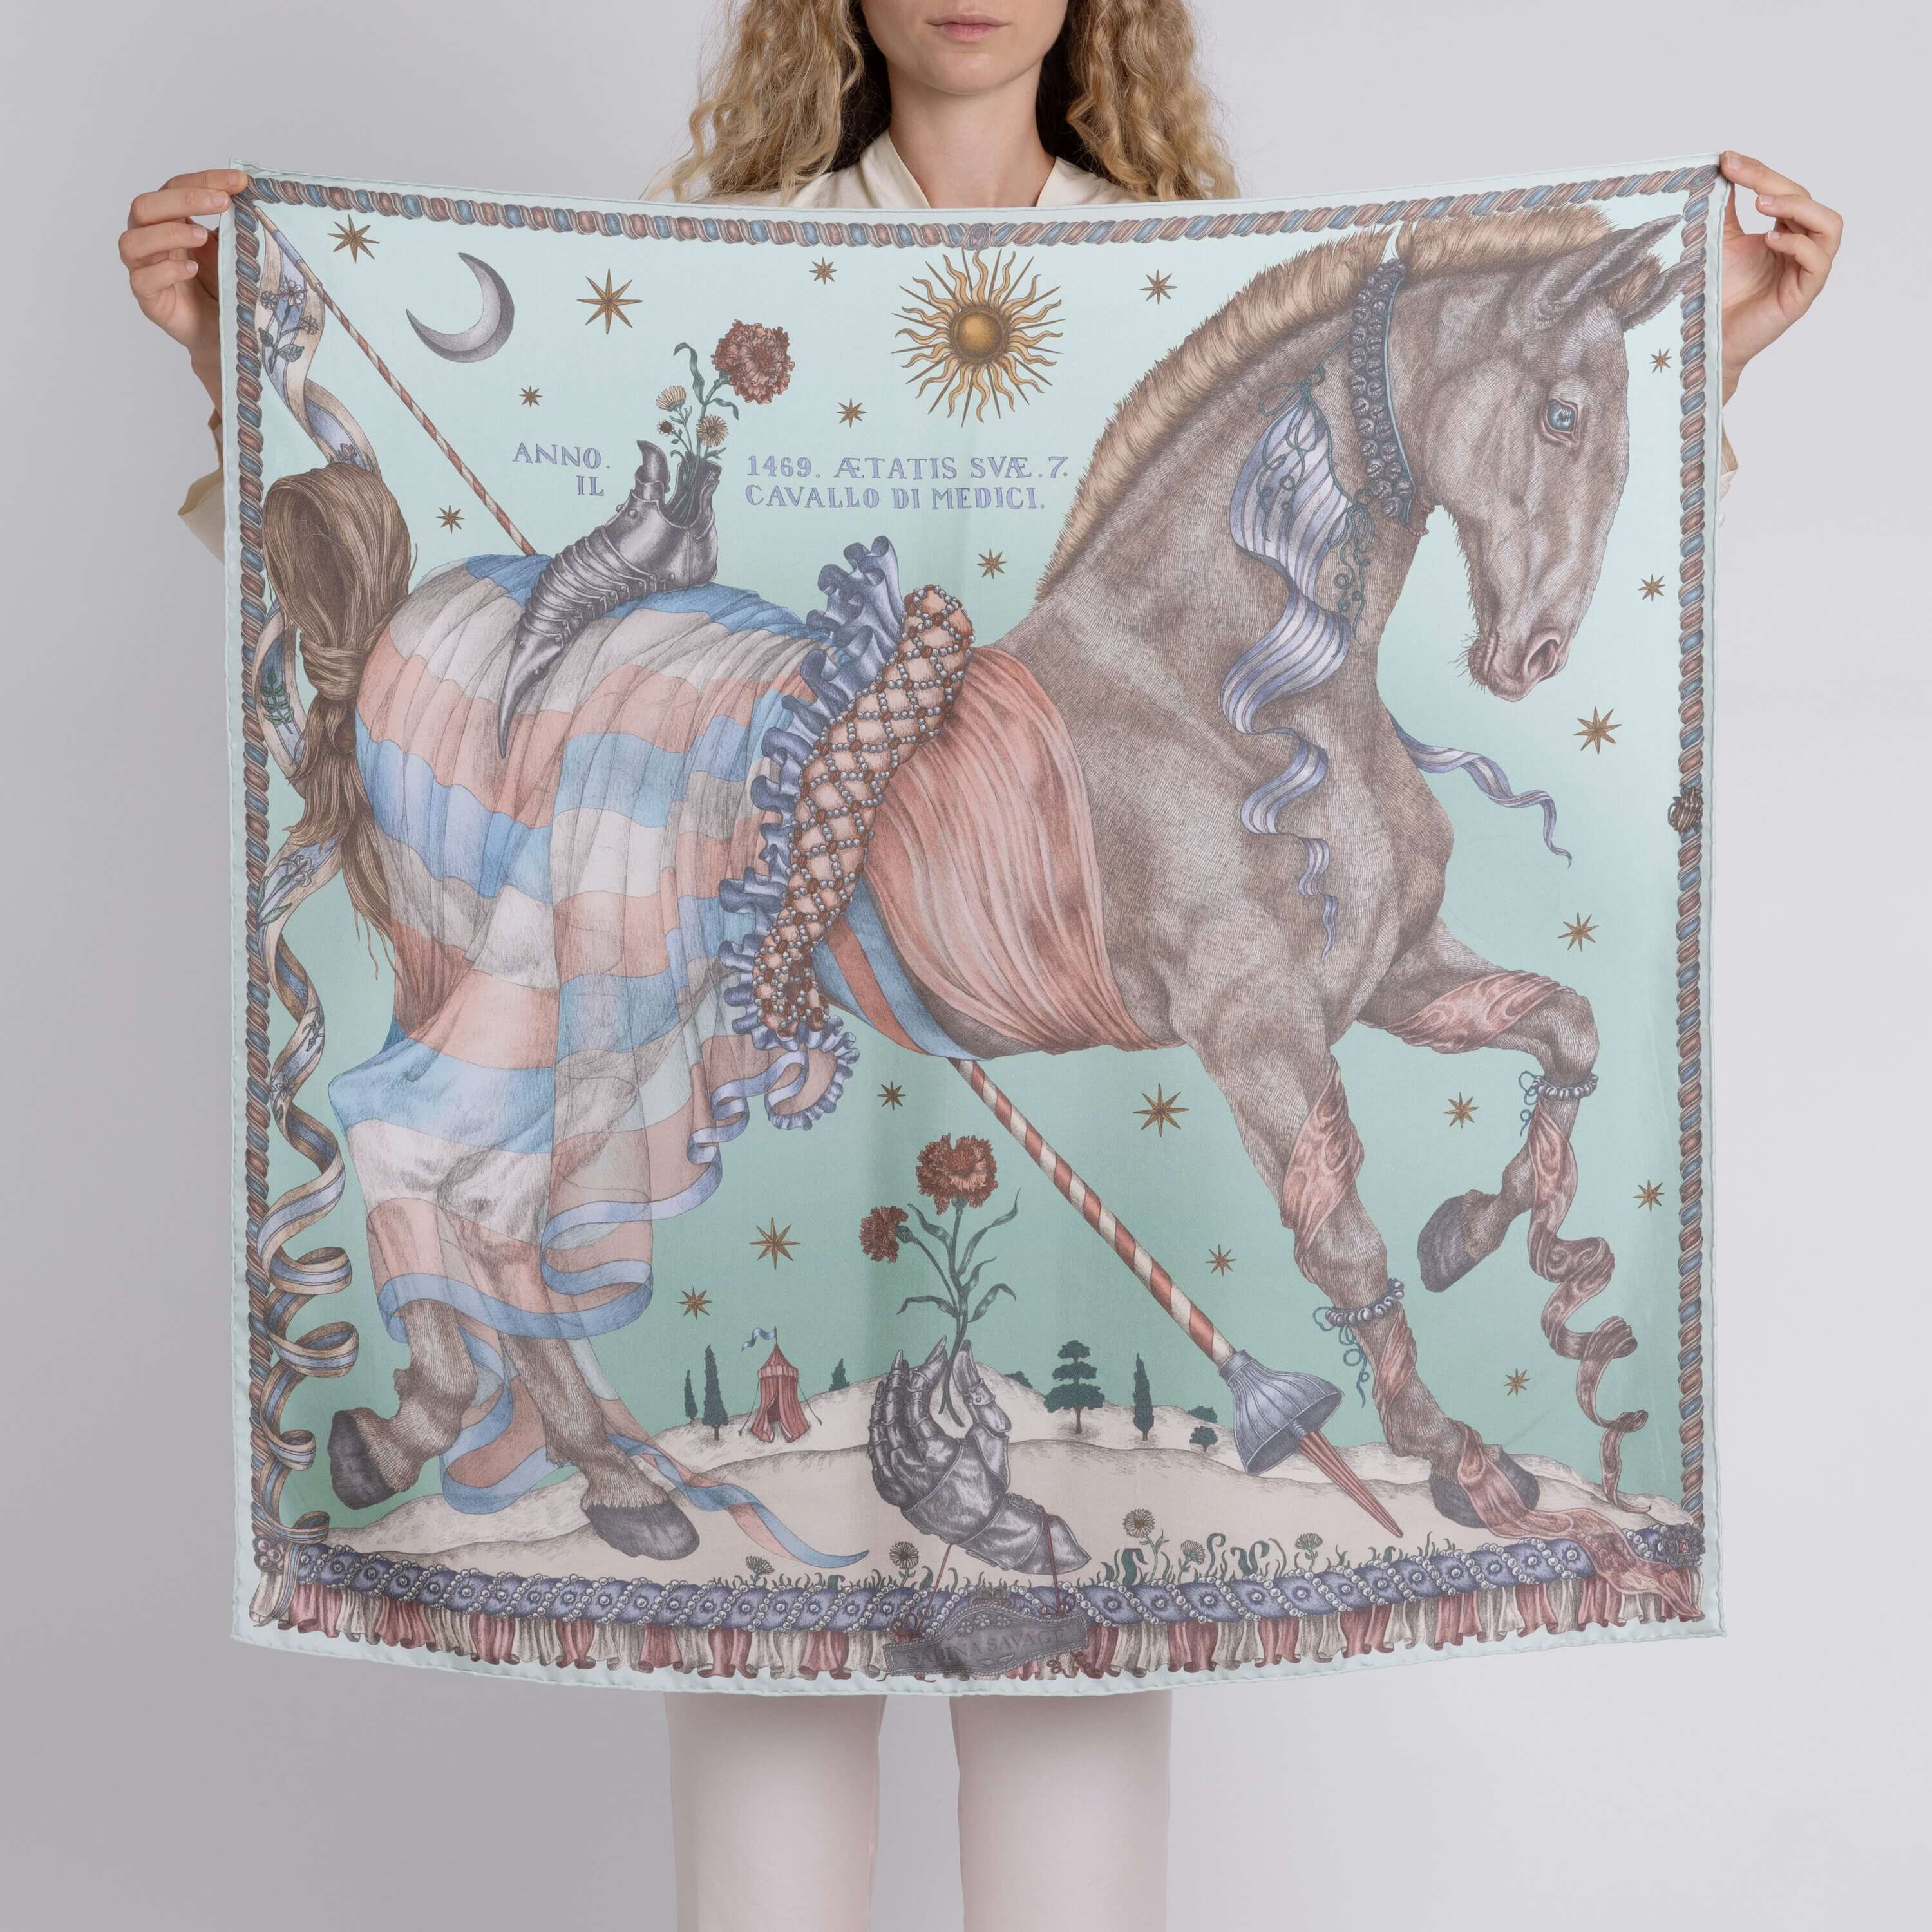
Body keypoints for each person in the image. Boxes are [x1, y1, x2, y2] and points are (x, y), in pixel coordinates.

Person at [118, 4, 1842, 1927]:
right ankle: (528, 1382)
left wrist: (1707, 361)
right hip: (819, 932)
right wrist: (239, 364)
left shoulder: (1197, 286)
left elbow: (1528, 493)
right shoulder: (721, 263)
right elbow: (516, 529)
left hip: (1083, 1395)